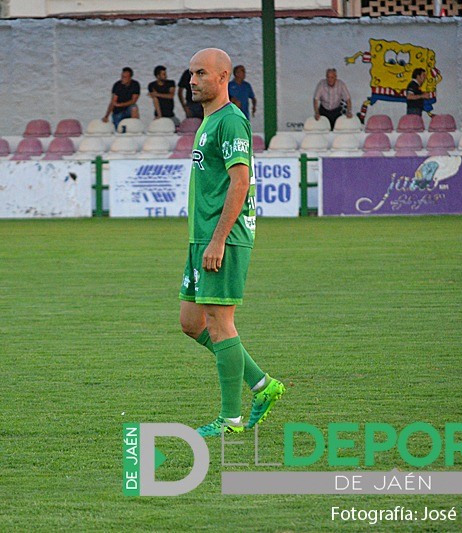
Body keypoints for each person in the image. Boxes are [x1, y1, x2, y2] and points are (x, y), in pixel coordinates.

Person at [178, 48, 285, 438]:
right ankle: (262, 385)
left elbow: (240, 182)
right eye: (191, 73)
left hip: (223, 238)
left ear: (223, 77)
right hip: (201, 237)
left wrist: (218, 240)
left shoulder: (230, 122)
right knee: (191, 323)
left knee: (221, 324)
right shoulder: (207, 122)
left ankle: (230, 419)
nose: (193, 80)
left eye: (201, 73)